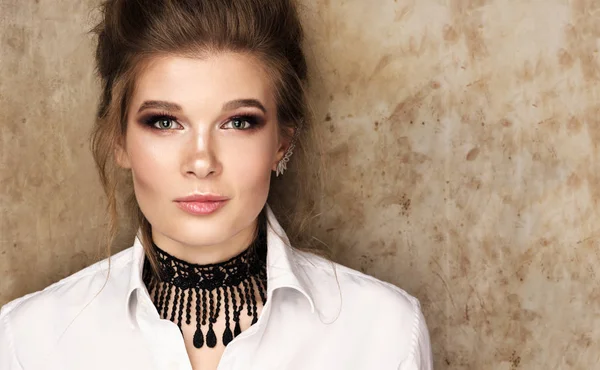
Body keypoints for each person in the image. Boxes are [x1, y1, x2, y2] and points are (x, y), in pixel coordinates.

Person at [0, 1, 433, 369]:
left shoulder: (384, 334)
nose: (202, 162)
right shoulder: (30, 342)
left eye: (238, 122)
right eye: (165, 122)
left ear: (283, 141)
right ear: (119, 140)